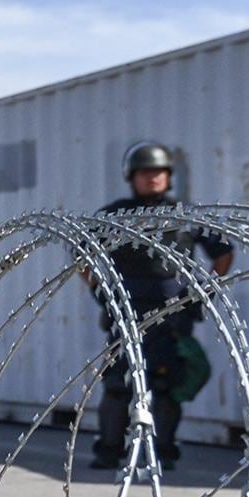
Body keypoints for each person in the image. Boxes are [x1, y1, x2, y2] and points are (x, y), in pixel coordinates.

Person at [88, 142, 233, 471]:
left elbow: (223, 251)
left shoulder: (186, 214)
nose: (152, 178)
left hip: (173, 314)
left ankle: (162, 451)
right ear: (132, 177)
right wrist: (100, 289)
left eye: (158, 172)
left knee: (166, 385)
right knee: (117, 384)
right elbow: (84, 252)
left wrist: (202, 291)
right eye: (145, 172)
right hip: (125, 311)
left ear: (169, 176)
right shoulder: (115, 214)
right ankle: (109, 450)